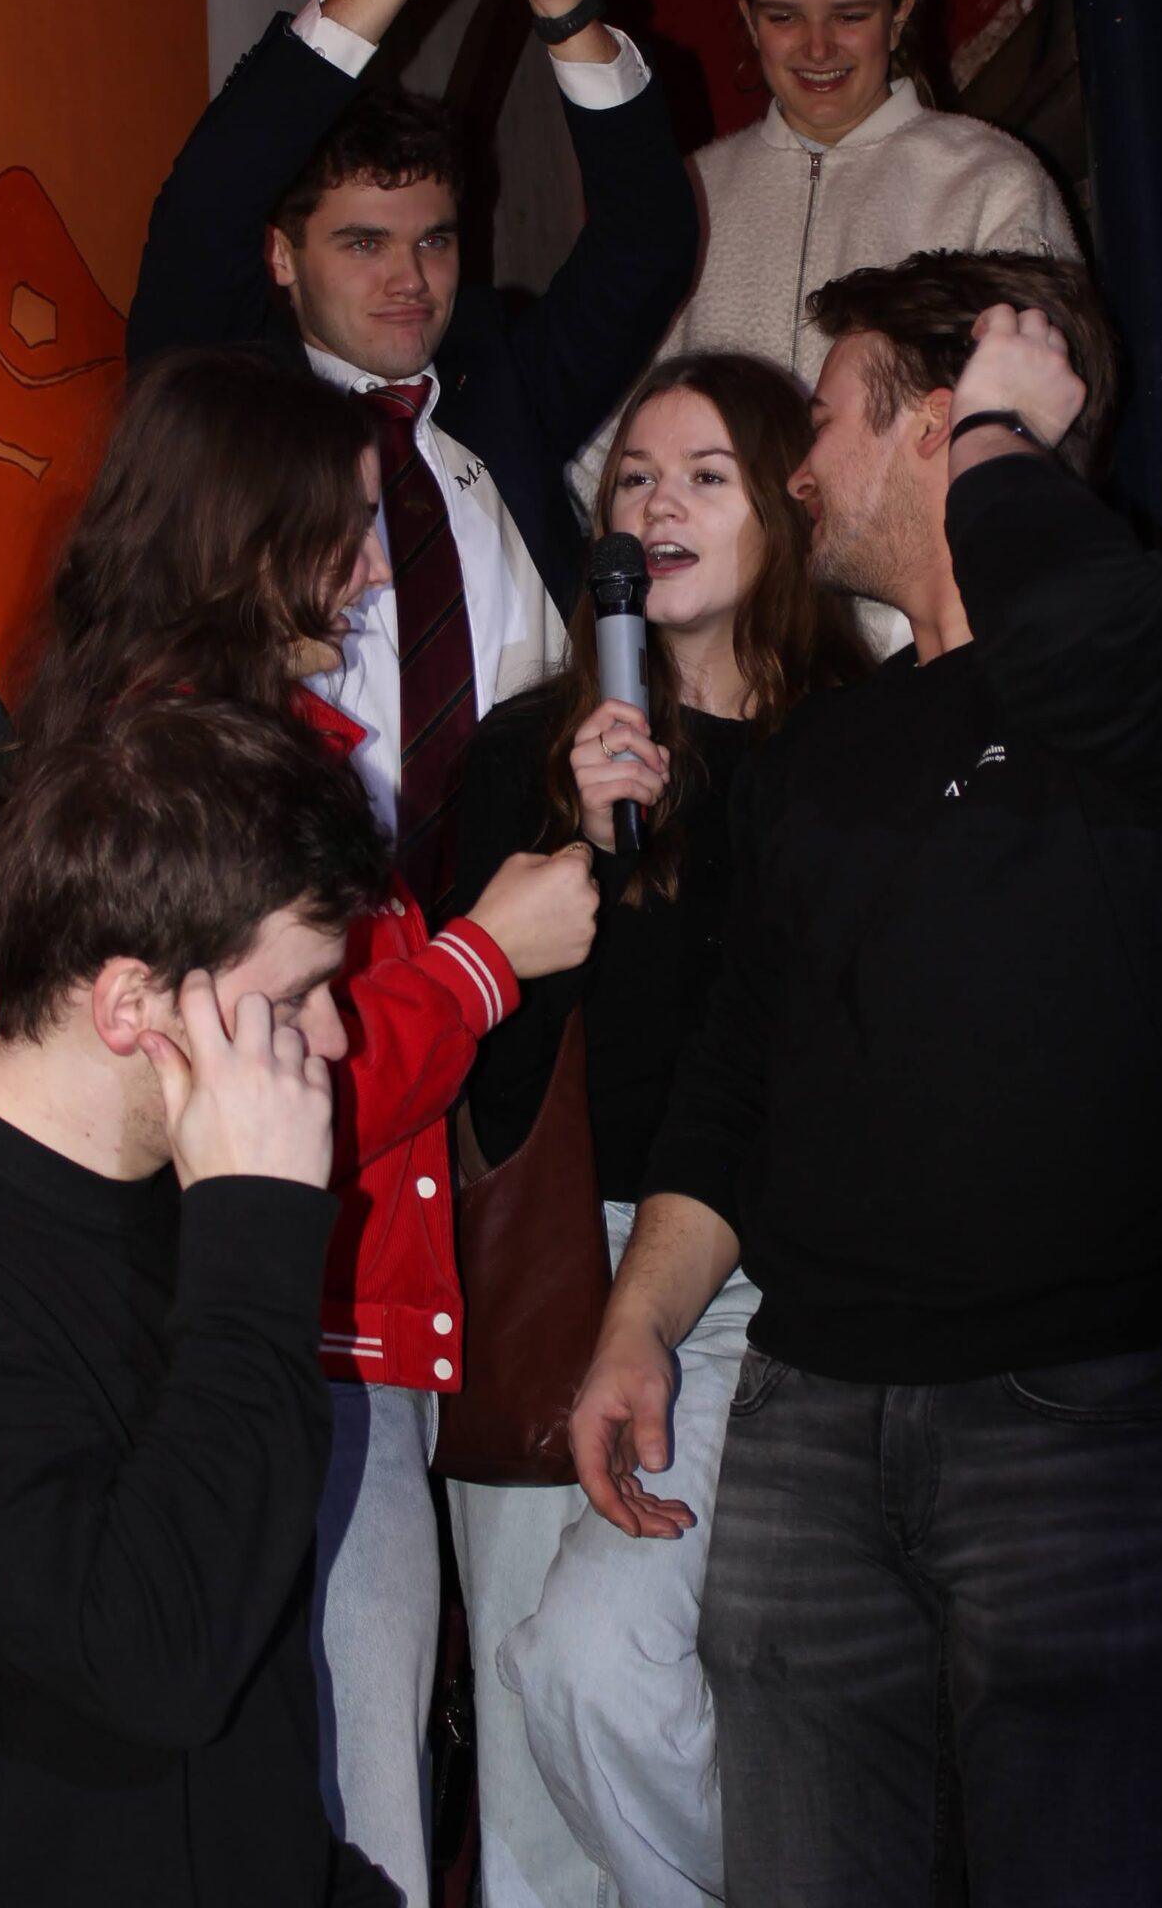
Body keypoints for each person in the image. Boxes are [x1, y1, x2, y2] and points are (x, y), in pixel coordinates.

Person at [572, 251, 1162, 1908]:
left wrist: (1006, 445)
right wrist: (635, 1321)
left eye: (829, 420)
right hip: (812, 1416)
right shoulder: (821, 750)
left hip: (1079, 1424)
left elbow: (1103, 655)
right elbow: (737, 1074)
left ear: (940, 427)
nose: (798, 471)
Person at [0, 348, 598, 1905]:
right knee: (345, 1817)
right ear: (247, 530)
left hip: (274, 1332)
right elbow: (265, 1092)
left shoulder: (164, 747)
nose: (372, 568)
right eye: (344, 527)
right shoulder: (188, 776)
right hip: (282, 1339)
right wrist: (482, 961)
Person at [0, 694, 399, 1908]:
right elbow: (158, 1660)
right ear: (129, 1004)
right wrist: (255, 1242)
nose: (333, 1040)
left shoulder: (200, 1193)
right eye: (295, 996)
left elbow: (254, 1693)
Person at [449, 352, 869, 1908]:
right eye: (632, 478)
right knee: (528, 1749)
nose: (658, 507)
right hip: (549, 1270)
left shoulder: (852, 752)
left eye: (703, 475)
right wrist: (568, 840)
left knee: (616, 1670)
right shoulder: (521, 754)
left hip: (758, 1284)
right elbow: (475, 1085)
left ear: (786, 505)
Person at [127, 0, 699, 921]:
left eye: (434, 241)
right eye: (362, 244)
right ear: (282, 257)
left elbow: (649, 241)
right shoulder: (229, 411)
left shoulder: (504, 386)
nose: (410, 281)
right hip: (296, 927)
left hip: (532, 914)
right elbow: (203, 205)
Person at [570, 0, 1079, 581]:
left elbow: (1041, 436)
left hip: (917, 626)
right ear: (749, 19)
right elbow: (597, 440)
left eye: (849, 16)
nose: (816, 48)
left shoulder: (992, 181)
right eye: (784, 17)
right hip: (719, 630)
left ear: (898, 16)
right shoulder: (682, 197)